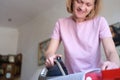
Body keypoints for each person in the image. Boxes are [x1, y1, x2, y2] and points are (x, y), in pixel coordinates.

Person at [45, 0, 120, 74]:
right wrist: (51, 58)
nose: (82, 7)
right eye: (79, 1)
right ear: (72, 1)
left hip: (95, 75)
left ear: (93, 6)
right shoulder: (61, 24)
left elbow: (111, 51)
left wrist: (114, 65)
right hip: (71, 77)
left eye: (88, 4)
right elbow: (50, 51)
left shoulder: (100, 22)